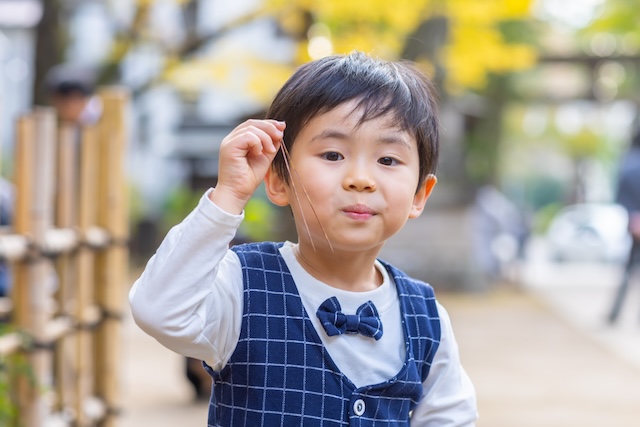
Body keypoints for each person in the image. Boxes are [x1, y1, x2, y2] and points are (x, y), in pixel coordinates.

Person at [129, 51, 478, 425]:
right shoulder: (242, 286)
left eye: (388, 160)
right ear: (279, 180)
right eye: (332, 154)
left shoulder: (426, 317)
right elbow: (158, 310)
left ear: (419, 195)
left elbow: (451, 418)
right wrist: (227, 197)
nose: (360, 178)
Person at [608, 126, 640, 323]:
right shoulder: (631, 163)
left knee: (628, 270)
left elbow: (620, 195)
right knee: (629, 269)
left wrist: (632, 216)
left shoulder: (627, 162)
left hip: (634, 222)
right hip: (635, 221)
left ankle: (615, 314)